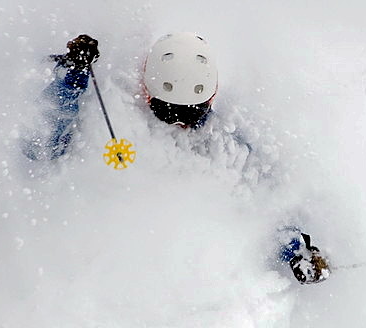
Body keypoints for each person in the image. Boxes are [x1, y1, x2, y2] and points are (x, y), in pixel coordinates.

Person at [23, 33, 330, 285]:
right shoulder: (109, 104)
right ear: (146, 91)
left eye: (193, 112)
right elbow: (41, 152)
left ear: (211, 98)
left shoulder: (224, 141)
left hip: (180, 278)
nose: (178, 122)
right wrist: (71, 80)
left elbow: (264, 197)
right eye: (165, 110)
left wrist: (295, 251)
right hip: (91, 267)